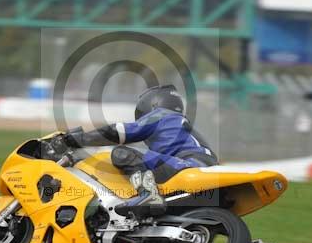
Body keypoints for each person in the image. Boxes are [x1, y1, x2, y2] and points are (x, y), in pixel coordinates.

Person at [64, 84, 217, 215]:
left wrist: (80, 139)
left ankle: (148, 194)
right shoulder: (178, 123)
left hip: (187, 164)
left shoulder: (161, 115)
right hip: (201, 168)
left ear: (152, 104)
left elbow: (117, 131)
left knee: (121, 153)